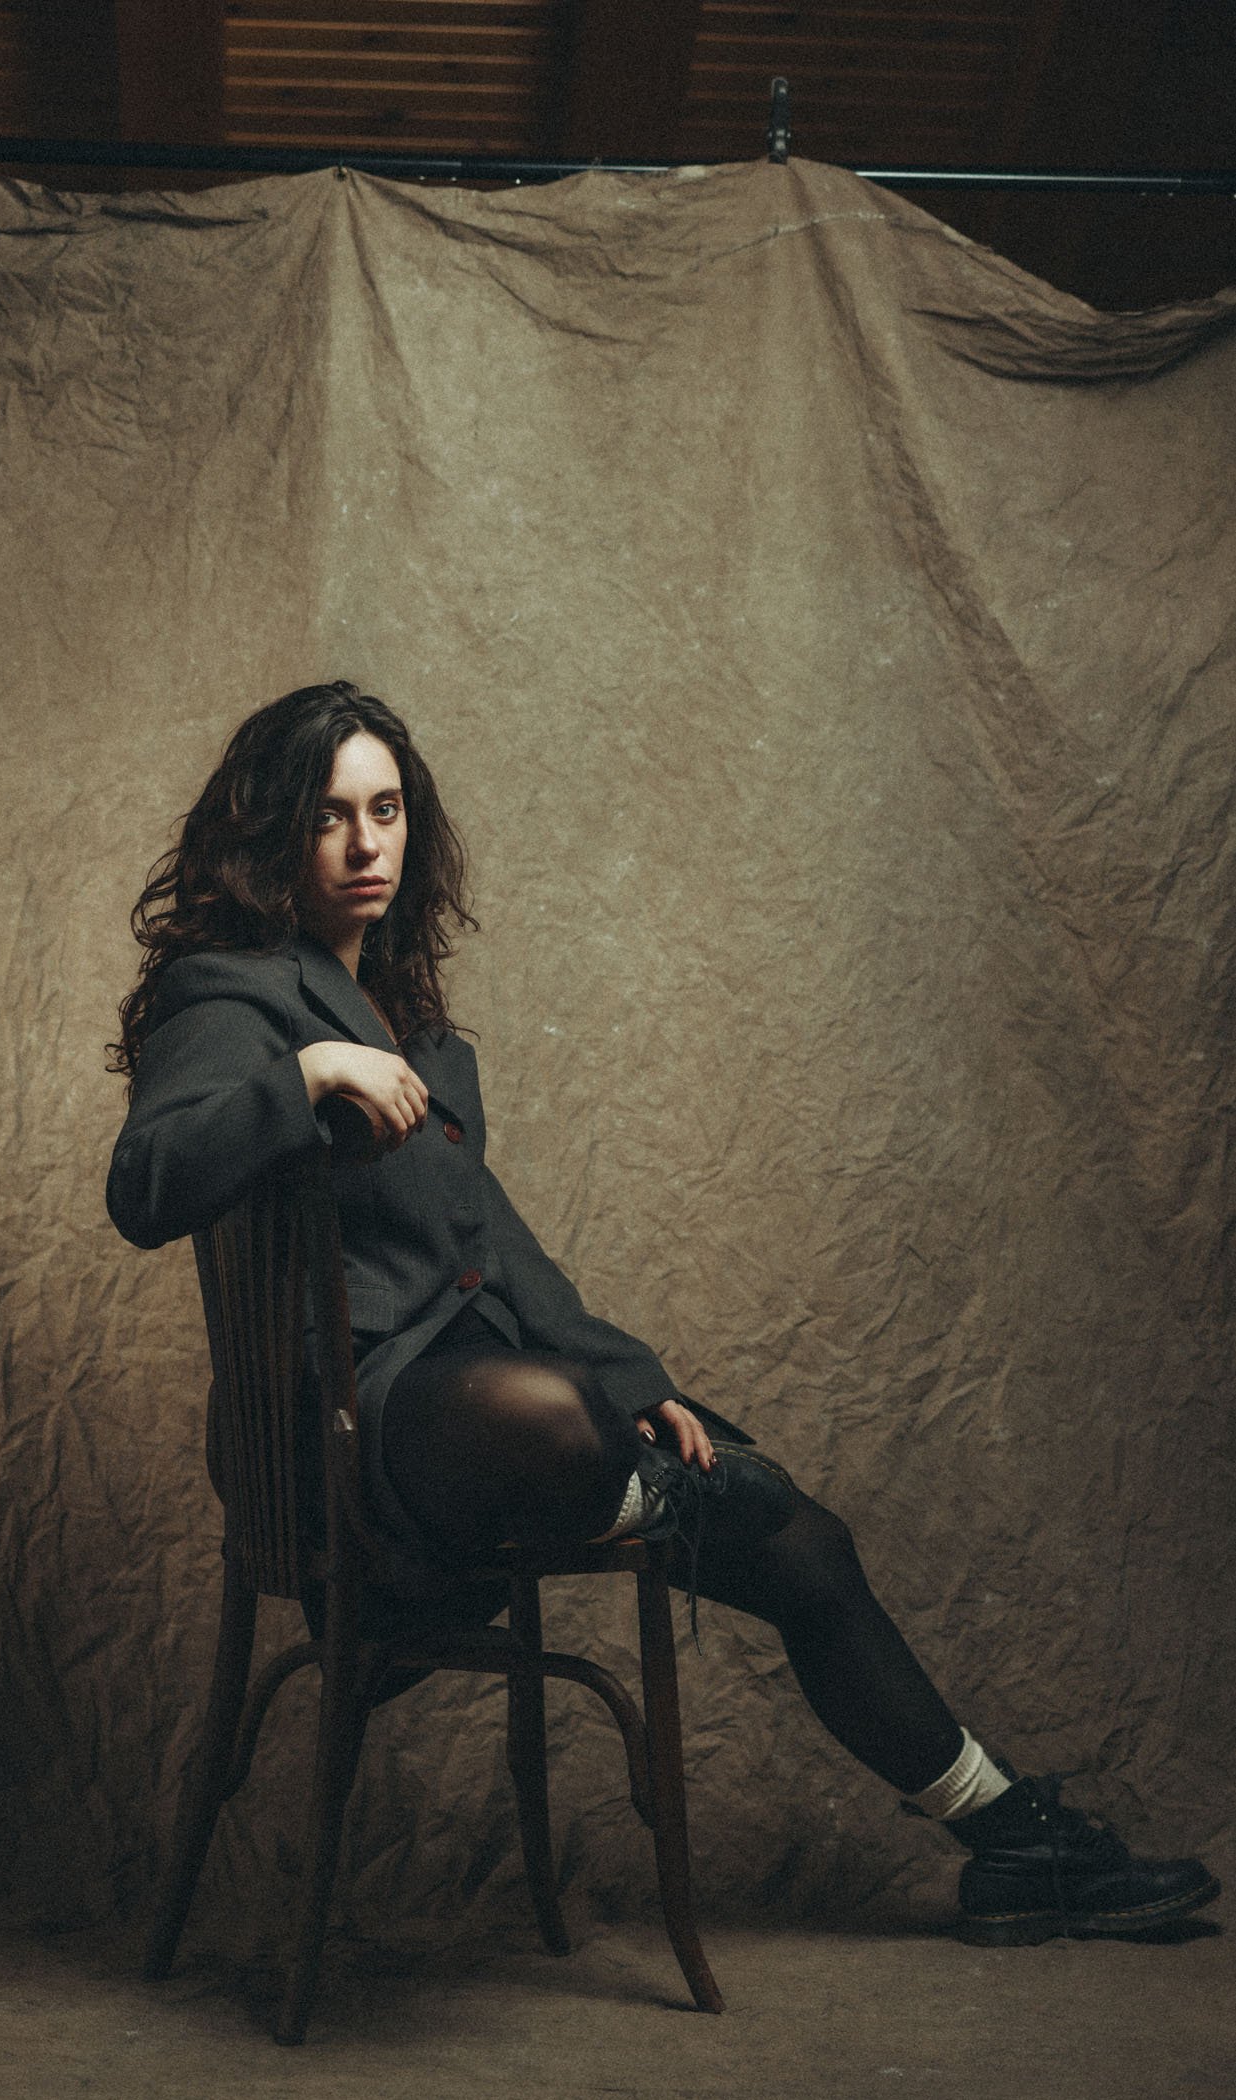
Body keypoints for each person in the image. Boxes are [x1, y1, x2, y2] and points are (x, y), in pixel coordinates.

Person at [107, 679, 1218, 1948]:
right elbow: (145, 1186)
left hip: (483, 1416)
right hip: (340, 1439)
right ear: (273, 836)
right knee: (562, 1422)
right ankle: (624, 1477)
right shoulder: (230, 997)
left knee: (794, 1529)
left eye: (387, 809)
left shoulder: (408, 1015)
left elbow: (494, 1245)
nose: (367, 845)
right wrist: (305, 1074)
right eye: (329, 817)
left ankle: (1012, 1837)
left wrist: (637, 1383)